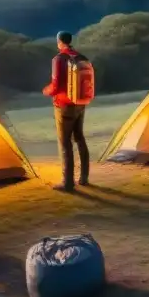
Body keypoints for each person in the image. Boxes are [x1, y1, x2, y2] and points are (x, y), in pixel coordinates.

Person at [42, 30, 91, 192]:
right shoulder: (81, 57)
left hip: (64, 105)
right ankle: (84, 177)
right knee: (79, 138)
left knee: (65, 143)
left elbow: (56, 86)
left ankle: (67, 182)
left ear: (59, 42)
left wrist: (46, 91)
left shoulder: (59, 59)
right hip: (80, 103)